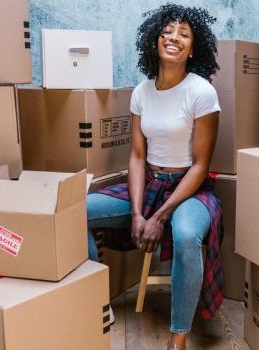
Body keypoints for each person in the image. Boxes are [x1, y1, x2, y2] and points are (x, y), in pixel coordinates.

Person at [86, 4, 224, 350]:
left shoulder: (201, 92)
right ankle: (92, 305)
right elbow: (136, 155)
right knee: (77, 210)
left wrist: (159, 217)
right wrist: (136, 214)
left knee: (187, 233)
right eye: (167, 31)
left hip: (190, 190)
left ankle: (178, 337)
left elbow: (200, 165)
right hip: (150, 184)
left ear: (194, 48)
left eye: (184, 34)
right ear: (154, 39)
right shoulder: (141, 91)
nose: (173, 38)